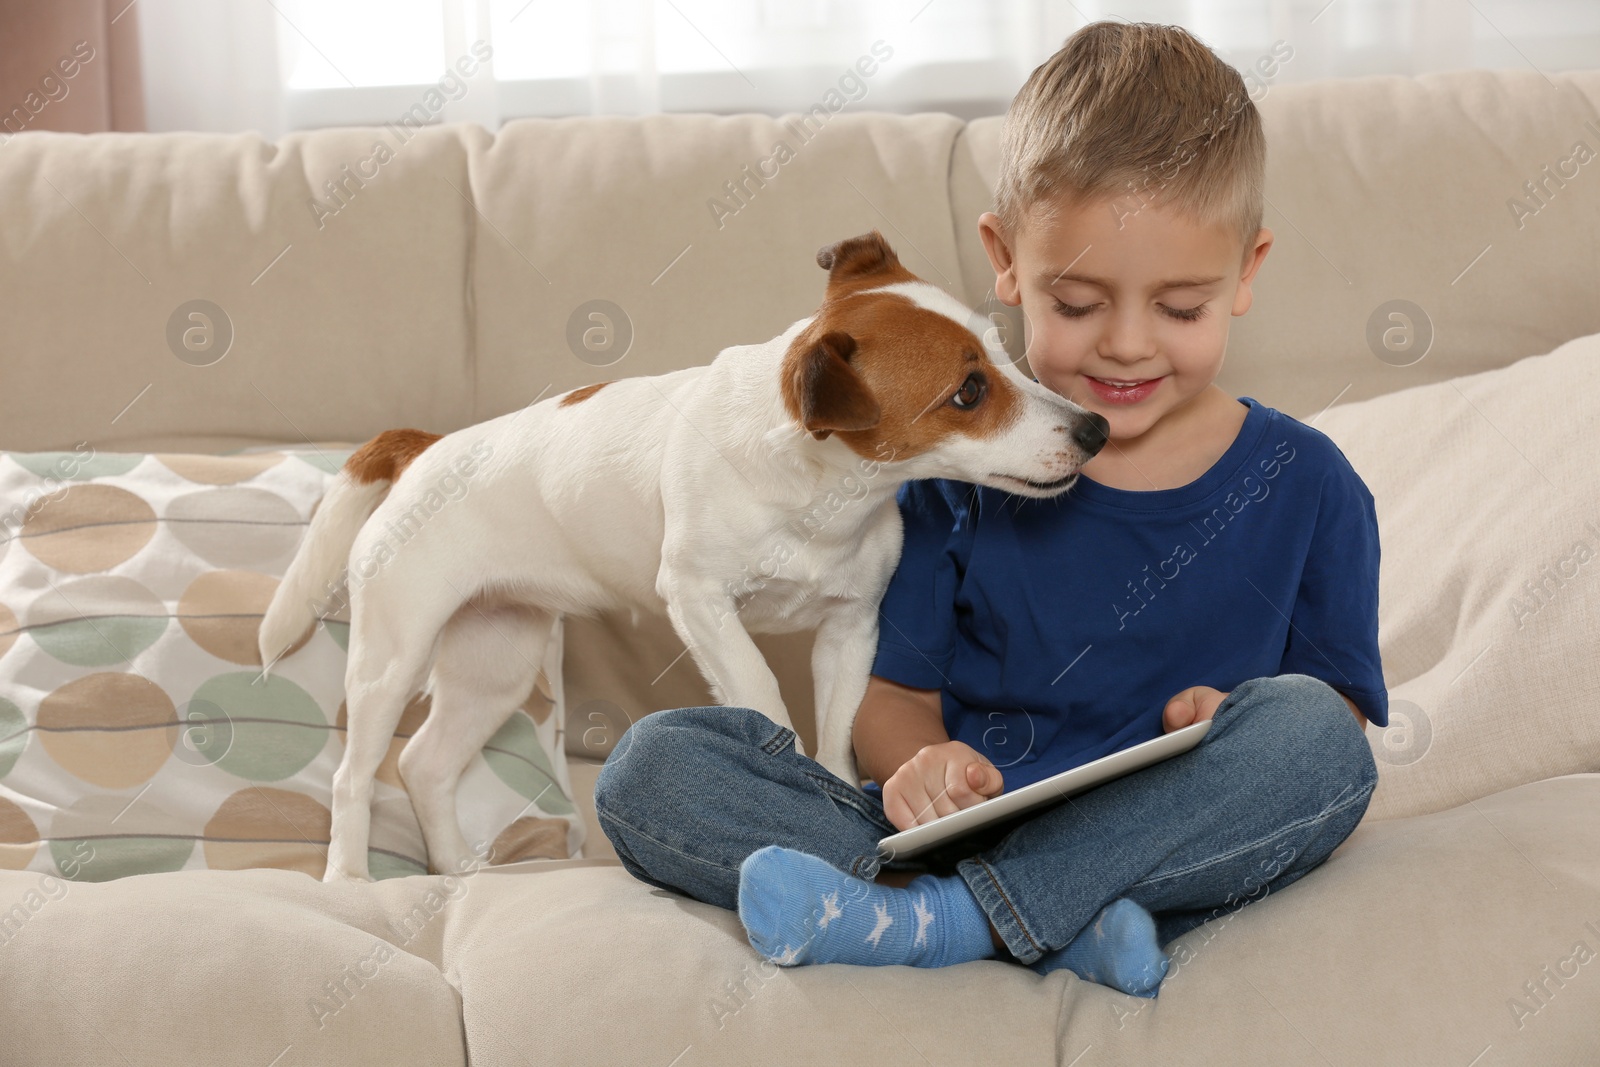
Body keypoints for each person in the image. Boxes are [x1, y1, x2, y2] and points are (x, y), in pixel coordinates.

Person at [593, 19, 1384, 998]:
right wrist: (918, 766)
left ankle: (941, 922)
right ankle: (1050, 920)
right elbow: (892, 701)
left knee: (1309, 740)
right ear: (1003, 258)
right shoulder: (949, 486)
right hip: (954, 831)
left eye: (1179, 309)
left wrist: (1234, 720)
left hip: (1168, 838)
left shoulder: (1310, 484)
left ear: (1246, 273)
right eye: (1078, 302)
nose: (1127, 346)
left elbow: (1337, 720)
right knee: (652, 767)